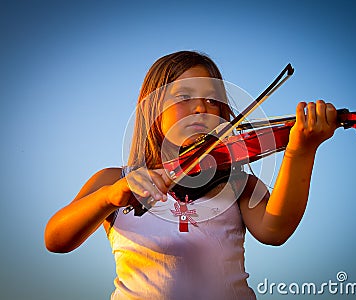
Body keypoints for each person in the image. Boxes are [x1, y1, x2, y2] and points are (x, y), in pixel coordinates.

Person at [45, 50, 338, 299]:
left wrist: (302, 150)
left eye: (213, 100)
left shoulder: (236, 183)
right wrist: (108, 198)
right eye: (184, 96)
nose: (201, 107)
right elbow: (56, 238)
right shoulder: (113, 179)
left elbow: (275, 230)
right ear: (152, 109)